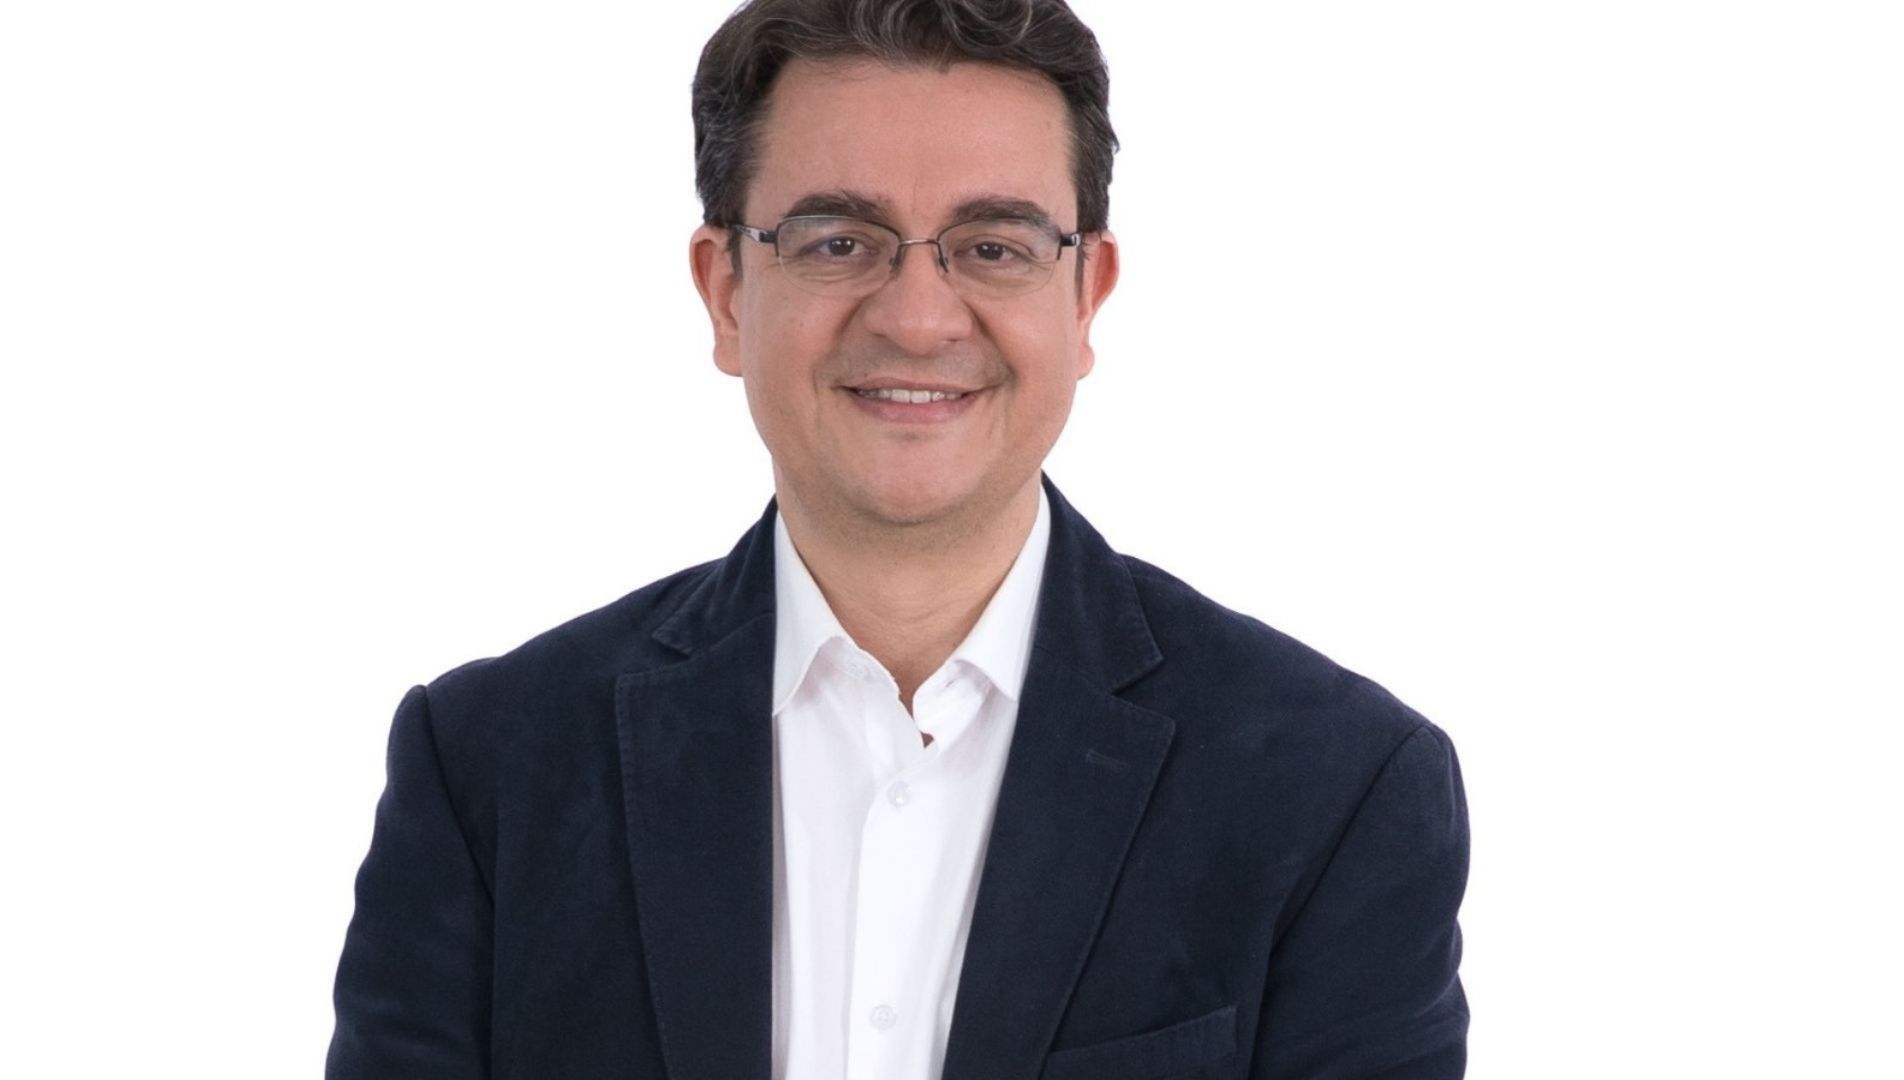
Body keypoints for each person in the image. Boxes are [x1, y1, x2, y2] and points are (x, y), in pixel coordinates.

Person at [325, 0, 1471, 1076]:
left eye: (994, 245)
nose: (918, 319)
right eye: (838, 241)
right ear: (726, 292)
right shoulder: (485, 771)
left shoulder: (1335, 791)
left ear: (1086, 297)